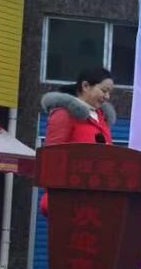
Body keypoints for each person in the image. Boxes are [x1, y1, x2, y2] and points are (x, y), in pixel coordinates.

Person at [38, 66, 115, 215]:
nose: (107, 97)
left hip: (97, 196)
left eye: (109, 92)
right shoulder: (65, 114)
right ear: (85, 86)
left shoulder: (102, 118)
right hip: (70, 197)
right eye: (104, 90)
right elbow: (52, 158)